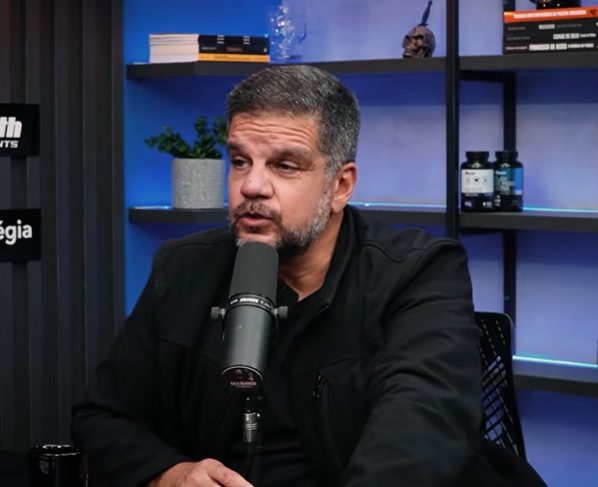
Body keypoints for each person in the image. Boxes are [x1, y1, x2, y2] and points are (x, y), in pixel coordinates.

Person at [72, 65, 545, 486]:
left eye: (285, 165)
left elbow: (418, 434)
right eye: (240, 161)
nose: (252, 186)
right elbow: (102, 417)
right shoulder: (182, 268)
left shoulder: (419, 271)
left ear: (341, 185)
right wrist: (171, 475)